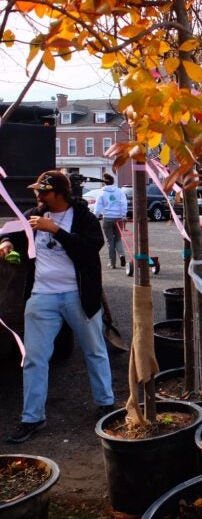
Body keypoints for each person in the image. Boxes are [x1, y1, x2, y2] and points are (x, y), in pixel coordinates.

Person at [1, 170, 114, 444]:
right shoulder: (34, 214)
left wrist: (56, 231)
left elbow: (90, 248)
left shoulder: (83, 217)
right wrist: (5, 243)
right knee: (33, 358)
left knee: (95, 351)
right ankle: (32, 418)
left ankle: (106, 404)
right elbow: (13, 234)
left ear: (60, 193)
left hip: (79, 295)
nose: (39, 196)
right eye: (37, 191)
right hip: (42, 296)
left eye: (45, 192)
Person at [94, 173, 128, 269]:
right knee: (118, 238)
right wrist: (123, 214)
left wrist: (95, 216)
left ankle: (112, 263)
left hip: (107, 218)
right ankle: (121, 255)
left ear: (104, 182)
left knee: (110, 240)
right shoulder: (119, 191)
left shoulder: (101, 193)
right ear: (113, 181)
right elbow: (123, 203)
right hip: (119, 218)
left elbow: (98, 207)